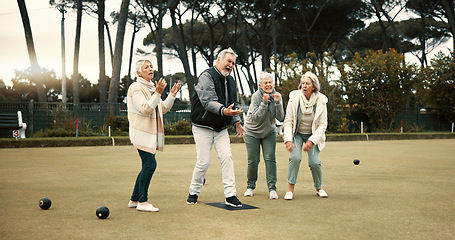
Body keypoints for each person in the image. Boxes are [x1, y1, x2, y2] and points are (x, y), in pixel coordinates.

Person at [186, 47, 246, 207]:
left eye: (233, 63)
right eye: (228, 61)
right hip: (202, 125)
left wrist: (237, 122)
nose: (231, 65)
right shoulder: (206, 76)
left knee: (227, 158)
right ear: (219, 59)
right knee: (204, 162)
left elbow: (235, 104)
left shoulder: (232, 81)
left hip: (221, 128)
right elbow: (207, 101)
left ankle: (231, 195)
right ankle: (193, 192)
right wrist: (223, 110)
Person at [127, 59, 180, 212]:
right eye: (146, 67)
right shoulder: (135, 87)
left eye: (151, 66)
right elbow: (145, 109)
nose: (150, 69)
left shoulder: (151, 87)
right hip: (141, 133)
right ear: (138, 72)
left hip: (149, 133)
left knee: (147, 165)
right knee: (150, 164)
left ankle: (134, 199)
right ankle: (142, 202)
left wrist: (171, 95)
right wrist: (157, 92)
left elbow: (161, 108)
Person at [283, 71, 328, 200]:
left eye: (307, 83)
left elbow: (322, 126)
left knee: (315, 163)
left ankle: (319, 188)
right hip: (296, 134)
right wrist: (288, 140)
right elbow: (288, 121)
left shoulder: (321, 101)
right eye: (303, 83)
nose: (304, 86)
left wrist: (312, 141)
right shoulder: (294, 98)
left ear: (313, 86)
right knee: (295, 158)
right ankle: (290, 190)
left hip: (313, 136)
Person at [243, 71, 284, 199]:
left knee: (270, 158)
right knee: (253, 160)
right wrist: (264, 103)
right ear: (260, 85)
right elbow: (256, 118)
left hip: (269, 131)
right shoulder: (256, 96)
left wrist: (277, 103)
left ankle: (272, 189)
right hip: (252, 132)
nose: (268, 85)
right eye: (265, 83)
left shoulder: (277, 96)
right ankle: (250, 186)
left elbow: (281, 117)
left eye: (270, 82)